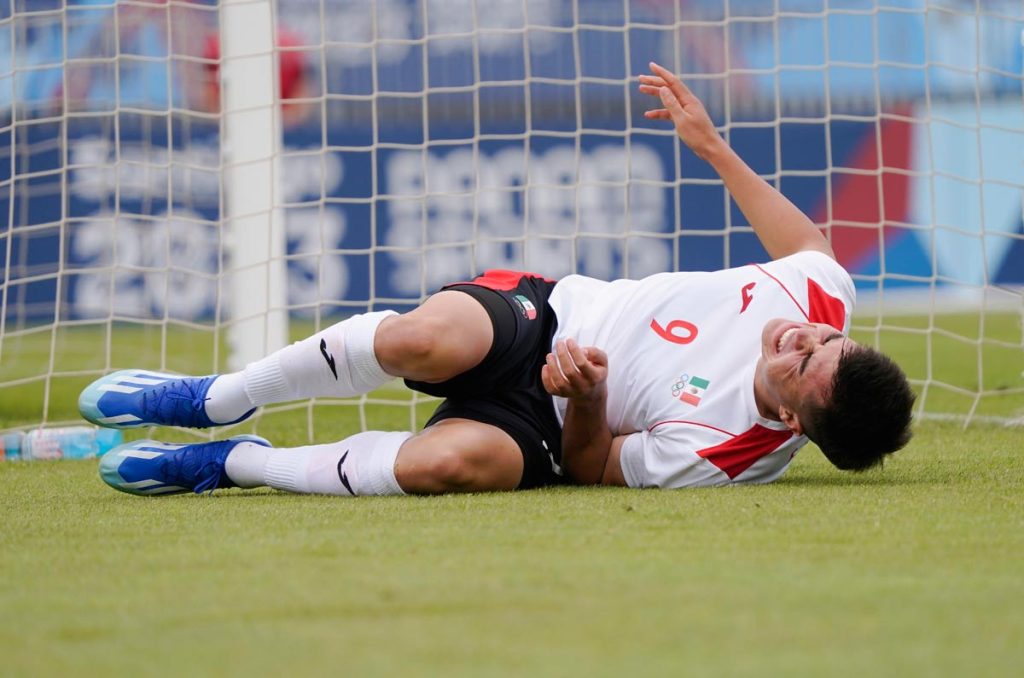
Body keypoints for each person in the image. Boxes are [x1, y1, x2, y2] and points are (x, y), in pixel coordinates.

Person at [80, 62, 915, 498]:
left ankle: (232, 465)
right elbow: (806, 243)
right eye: (823, 340)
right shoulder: (818, 296)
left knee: (444, 467)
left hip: (553, 427)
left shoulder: (727, 456)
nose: (799, 338)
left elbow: (593, 469)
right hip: (551, 315)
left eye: (800, 364)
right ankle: (218, 397)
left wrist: (586, 397)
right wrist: (711, 146)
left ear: (800, 423)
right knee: (422, 340)